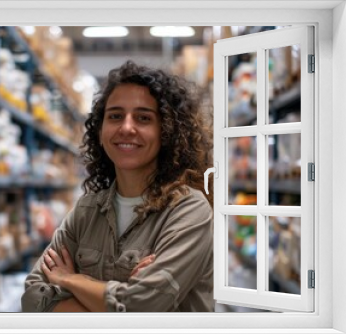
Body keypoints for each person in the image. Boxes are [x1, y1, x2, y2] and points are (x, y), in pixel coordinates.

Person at [21, 60, 214, 312]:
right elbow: (33, 296)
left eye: (143, 118)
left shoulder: (188, 211)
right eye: (115, 116)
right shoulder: (87, 210)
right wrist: (118, 300)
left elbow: (140, 305)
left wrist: (72, 280)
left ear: (167, 131)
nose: (126, 127)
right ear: (100, 131)